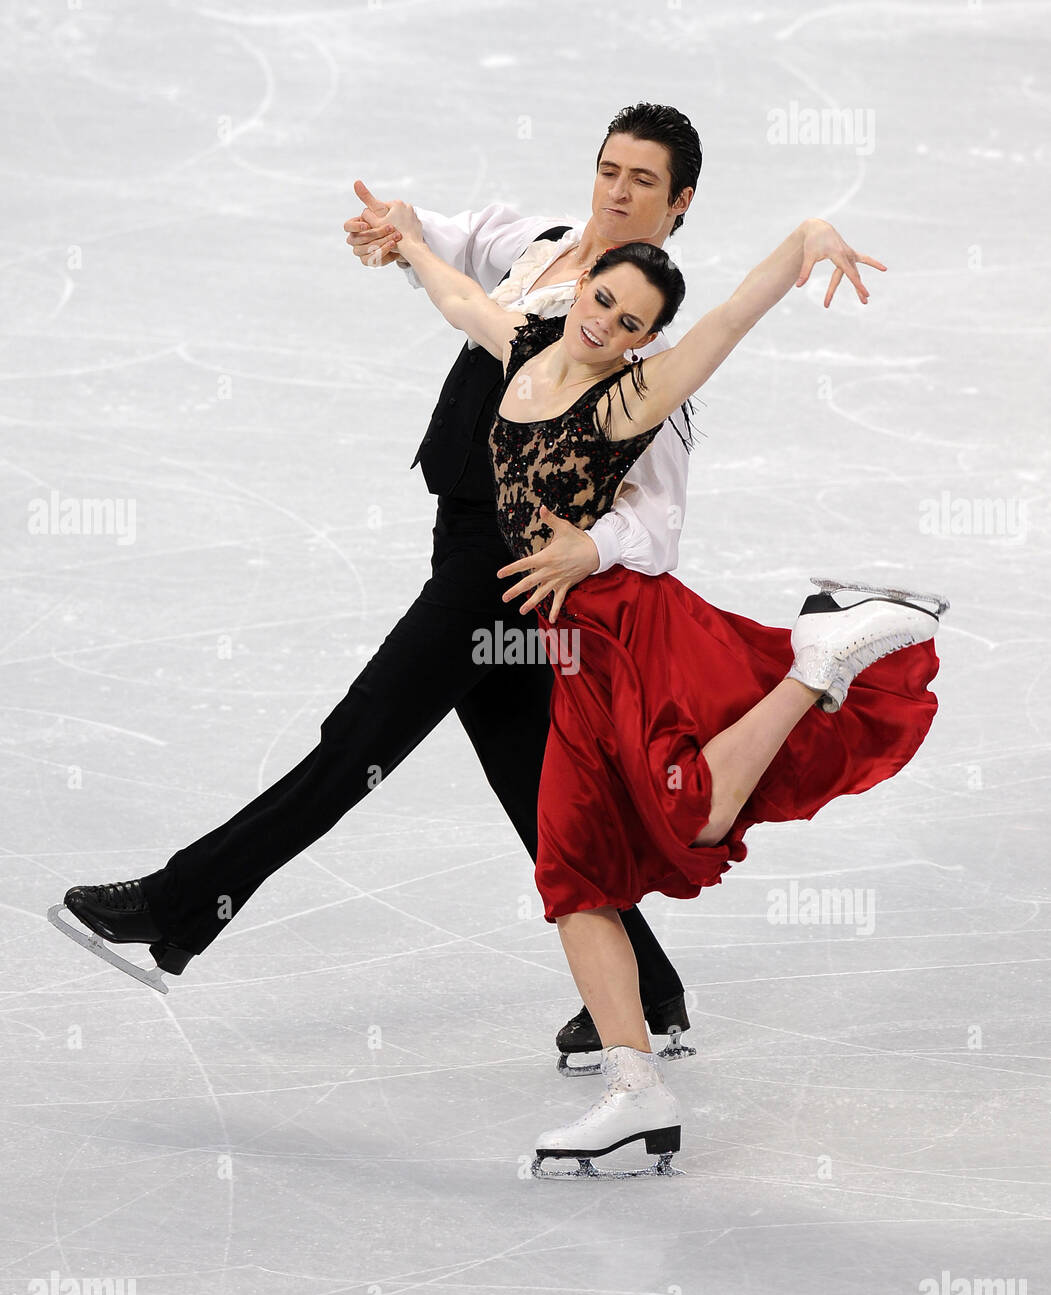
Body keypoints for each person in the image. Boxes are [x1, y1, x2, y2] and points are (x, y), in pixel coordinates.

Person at [55, 105, 703, 1065]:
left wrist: (590, 552)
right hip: (464, 544)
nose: (615, 192)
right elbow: (468, 240)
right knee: (535, 788)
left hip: (506, 570)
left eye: (642, 181)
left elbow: (658, 516)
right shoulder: (548, 251)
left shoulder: (648, 355)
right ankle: (649, 993)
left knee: (355, 739)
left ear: (679, 202)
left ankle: (181, 904)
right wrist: (401, 228)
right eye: (609, 169)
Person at [369, 205, 945, 1177]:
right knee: (572, 870)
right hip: (571, 651)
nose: (605, 325)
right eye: (602, 300)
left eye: (630, 323)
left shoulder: (625, 402)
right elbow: (463, 298)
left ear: (643, 340)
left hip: (627, 626)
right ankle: (636, 1091)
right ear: (583, 285)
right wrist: (408, 244)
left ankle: (815, 663)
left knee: (686, 815)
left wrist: (799, 240)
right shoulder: (530, 341)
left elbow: (722, 322)